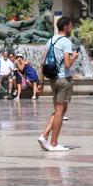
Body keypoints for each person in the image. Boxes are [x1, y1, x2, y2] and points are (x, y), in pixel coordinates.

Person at [38, 16, 78, 152]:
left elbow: (42, 62)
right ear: (66, 26)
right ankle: (53, 143)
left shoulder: (50, 40)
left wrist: (41, 82)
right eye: (70, 26)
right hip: (63, 79)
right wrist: (74, 57)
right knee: (60, 111)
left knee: (59, 110)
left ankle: (44, 136)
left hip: (53, 79)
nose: (71, 28)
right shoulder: (66, 41)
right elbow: (67, 64)